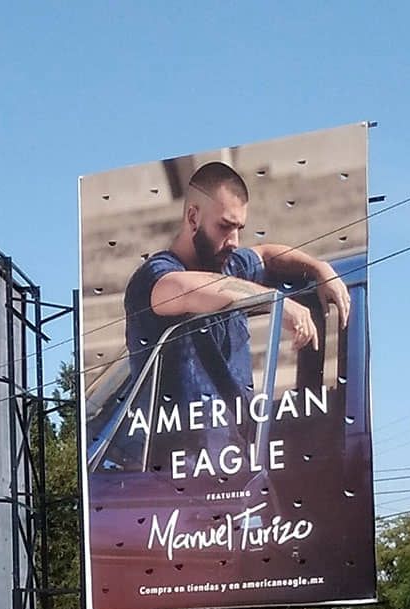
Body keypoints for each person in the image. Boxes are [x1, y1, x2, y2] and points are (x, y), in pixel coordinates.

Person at [123, 161, 351, 422]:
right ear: (193, 217)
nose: (234, 241)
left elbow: (266, 254)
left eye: (238, 228)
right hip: (171, 458)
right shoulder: (154, 277)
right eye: (224, 226)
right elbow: (183, 289)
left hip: (237, 454)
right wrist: (274, 301)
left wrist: (319, 267)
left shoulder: (229, 265)